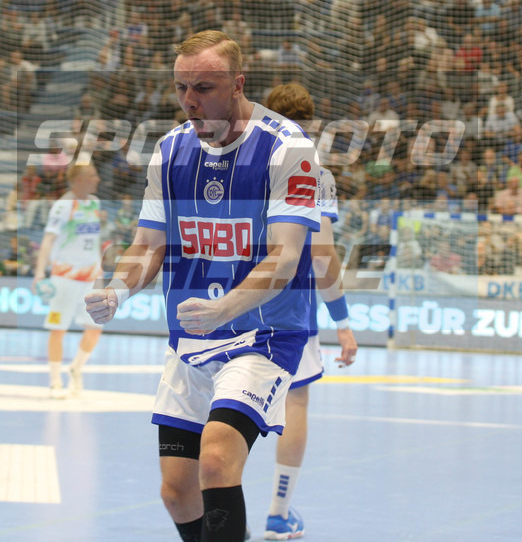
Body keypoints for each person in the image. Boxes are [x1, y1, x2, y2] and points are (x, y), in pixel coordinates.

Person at [85, 31, 321, 542]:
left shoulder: (289, 148)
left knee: (215, 460)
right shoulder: (170, 150)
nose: (190, 100)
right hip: (192, 335)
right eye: (181, 87)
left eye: (204, 87)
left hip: (264, 334)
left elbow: (285, 256)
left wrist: (227, 308)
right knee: (177, 491)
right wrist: (116, 290)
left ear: (237, 84)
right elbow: (149, 244)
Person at [261, 83, 359, 539]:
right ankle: (278, 513)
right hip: (288, 308)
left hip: (230, 302)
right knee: (295, 400)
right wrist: (343, 321)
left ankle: (214, 509)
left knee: (221, 405)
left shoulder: (238, 162)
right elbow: (322, 255)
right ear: (312, 124)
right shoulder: (315, 174)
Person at [31, 163, 107, 399]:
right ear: (79, 180)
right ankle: (55, 382)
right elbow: (48, 240)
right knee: (58, 329)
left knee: (95, 329)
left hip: (91, 277)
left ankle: (76, 368)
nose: (97, 179)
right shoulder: (63, 206)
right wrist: (39, 273)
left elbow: (93, 241)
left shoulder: (95, 203)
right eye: (92, 175)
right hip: (64, 277)